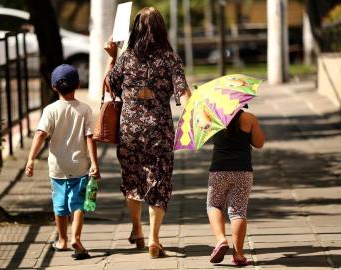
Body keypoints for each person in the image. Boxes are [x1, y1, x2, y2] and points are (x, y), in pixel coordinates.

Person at [104, 7, 191, 259]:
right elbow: (182, 91)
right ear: (161, 28)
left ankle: (137, 229)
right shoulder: (170, 58)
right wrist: (194, 114)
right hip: (159, 129)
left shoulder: (127, 57)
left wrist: (111, 57)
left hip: (129, 128)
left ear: (136, 29)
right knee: (159, 181)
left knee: (133, 179)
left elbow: (110, 86)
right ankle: (154, 238)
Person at [25, 64, 100, 260]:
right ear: (78, 84)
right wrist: (94, 163)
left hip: (57, 167)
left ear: (53, 87)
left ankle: (63, 240)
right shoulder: (84, 109)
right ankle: (76, 238)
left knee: (59, 205)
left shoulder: (50, 110)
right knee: (78, 204)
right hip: (80, 166)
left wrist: (31, 159)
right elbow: (90, 137)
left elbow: (40, 134)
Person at [206, 108, 265, 266]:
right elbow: (259, 143)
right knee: (238, 211)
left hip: (218, 170)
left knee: (214, 205)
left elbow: (202, 130)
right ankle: (238, 255)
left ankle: (221, 240)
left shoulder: (213, 117)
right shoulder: (249, 118)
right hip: (243, 171)